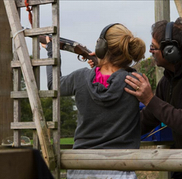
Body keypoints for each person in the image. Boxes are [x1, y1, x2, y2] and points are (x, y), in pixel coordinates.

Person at [41, 23, 145, 179]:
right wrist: (102, 64)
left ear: (101, 47)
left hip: (81, 167)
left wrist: (51, 51)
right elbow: (116, 77)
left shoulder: (81, 77)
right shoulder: (136, 80)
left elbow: (53, 85)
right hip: (121, 168)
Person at [124, 17, 182, 179]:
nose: (150, 51)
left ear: (170, 51)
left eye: (153, 47)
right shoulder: (168, 81)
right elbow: (148, 119)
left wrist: (149, 99)